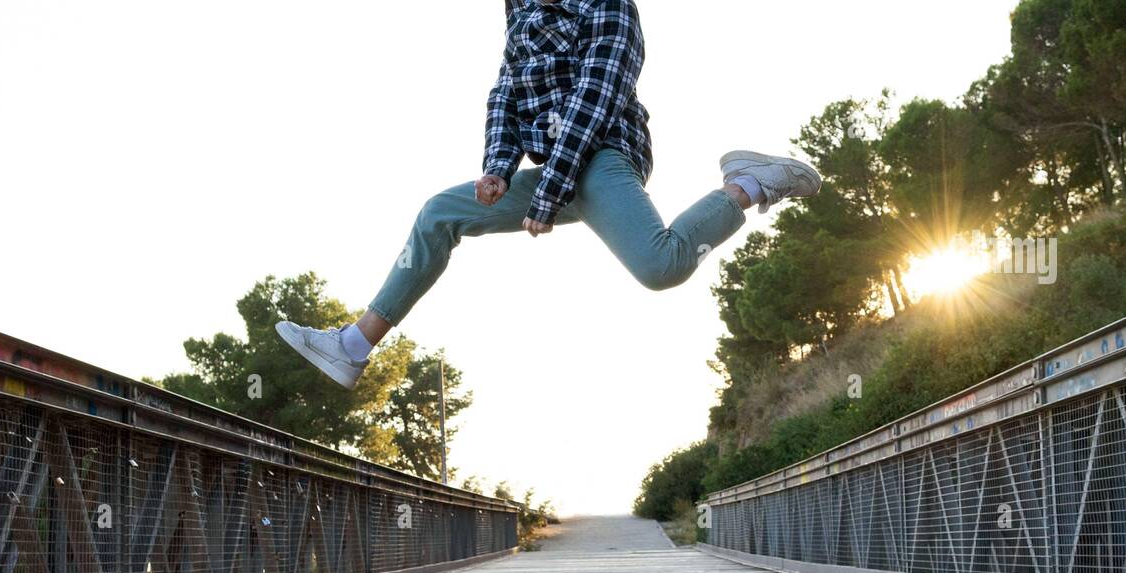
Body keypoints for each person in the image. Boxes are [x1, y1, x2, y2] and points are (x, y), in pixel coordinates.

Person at [277, 0, 822, 389]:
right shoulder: (521, 9)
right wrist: (496, 167)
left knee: (661, 267)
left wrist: (548, 192)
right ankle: (353, 346)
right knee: (439, 213)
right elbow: (506, 93)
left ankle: (749, 182)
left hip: (606, 152)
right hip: (556, 170)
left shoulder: (610, 9)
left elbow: (596, 97)